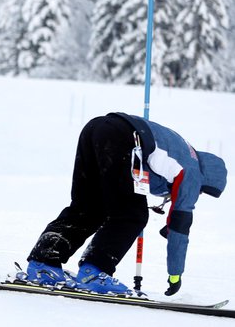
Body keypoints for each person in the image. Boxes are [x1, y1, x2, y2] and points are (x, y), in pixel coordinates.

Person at [19, 112, 226, 296]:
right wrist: (175, 275)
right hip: (124, 138)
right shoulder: (193, 173)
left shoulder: (183, 150)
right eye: (203, 191)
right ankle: (94, 271)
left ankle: (43, 263)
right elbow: (180, 229)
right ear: (206, 181)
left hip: (97, 128)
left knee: (88, 207)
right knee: (131, 215)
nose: (198, 194)